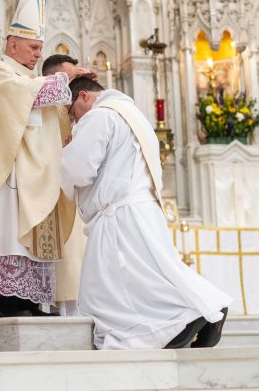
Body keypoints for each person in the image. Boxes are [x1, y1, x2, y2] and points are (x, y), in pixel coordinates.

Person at [61, 78, 232, 349]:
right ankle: (210, 305)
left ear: (82, 96)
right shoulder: (134, 116)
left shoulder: (100, 116)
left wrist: (66, 149)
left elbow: (79, 170)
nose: (74, 120)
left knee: (101, 292)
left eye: (72, 113)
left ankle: (181, 323)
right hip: (142, 207)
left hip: (119, 214)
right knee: (158, 273)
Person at [0, 0, 78, 318]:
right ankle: (5, 302)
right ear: (13, 43)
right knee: (7, 235)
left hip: (31, 173)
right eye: (33, 48)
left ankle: (28, 301)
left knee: (25, 236)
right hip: (5, 174)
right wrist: (62, 81)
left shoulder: (29, 75)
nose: (36, 55)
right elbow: (21, 96)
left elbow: (43, 103)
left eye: (40, 49)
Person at [41, 54, 95, 316]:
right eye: (68, 79)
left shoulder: (76, 114)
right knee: (70, 262)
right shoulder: (45, 110)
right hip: (55, 192)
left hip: (82, 195)